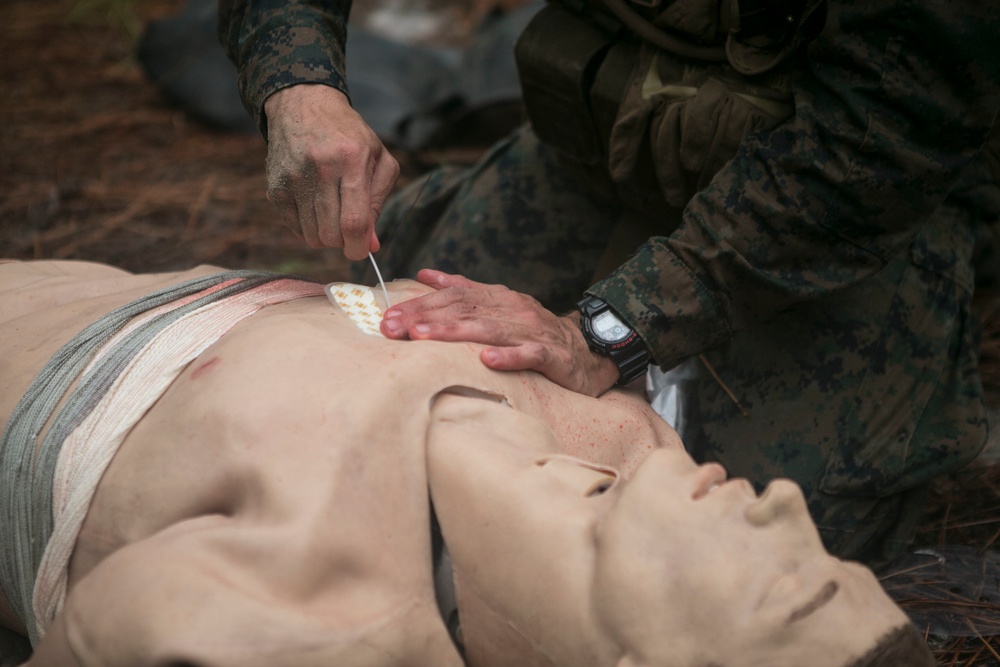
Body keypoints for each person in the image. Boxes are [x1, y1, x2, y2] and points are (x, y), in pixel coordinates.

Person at [218, 0, 1000, 570]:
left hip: (833, 207)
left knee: (732, 556)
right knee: (401, 353)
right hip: (604, 151)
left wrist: (606, 329)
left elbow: (879, 145)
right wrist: (299, 85)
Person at [0, 258, 935, 666]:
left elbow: (131, 623)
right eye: (828, 552)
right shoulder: (635, 444)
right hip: (139, 288)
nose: (784, 506)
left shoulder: (312, 616)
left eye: (790, 587)